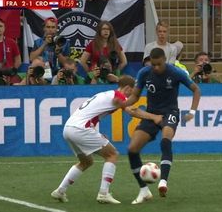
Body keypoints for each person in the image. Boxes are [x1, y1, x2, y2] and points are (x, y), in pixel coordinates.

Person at [51, 75, 163, 204]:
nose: (131, 97)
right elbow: (132, 111)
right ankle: (103, 193)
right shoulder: (118, 96)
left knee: (86, 162)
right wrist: (153, 117)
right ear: (127, 88)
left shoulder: (104, 94)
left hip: (69, 129)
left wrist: (95, 133)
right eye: (131, 93)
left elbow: (92, 113)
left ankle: (60, 190)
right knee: (112, 154)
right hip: (80, 129)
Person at [120, 48, 201, 204]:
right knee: (132, 149)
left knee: (165, 139)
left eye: (158, 64)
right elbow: (136, 95)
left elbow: (196, 90)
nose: (155, 67)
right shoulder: (144, 73)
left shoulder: (176, 72)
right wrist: (123, 104)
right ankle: (143, 190)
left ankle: (163, 181)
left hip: (170, 112)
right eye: (153, 64)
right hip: (151, 114)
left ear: (164, 60)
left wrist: (192, 112)